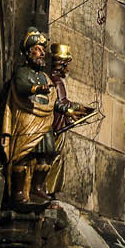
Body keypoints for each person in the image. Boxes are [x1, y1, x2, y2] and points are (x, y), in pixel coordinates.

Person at [0, 27, 57, 205]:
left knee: (47, 153)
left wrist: (71, 109)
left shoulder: (45, 77)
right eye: (38, 50)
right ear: (28, 52)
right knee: (23, 155)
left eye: (43, 50)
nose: (42, 54)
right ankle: (18, 192)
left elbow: (53, 98)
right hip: (27, 119)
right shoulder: (23, 73)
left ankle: (37, 188)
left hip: (44, 119)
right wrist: (37, 89)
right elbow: (21, 87)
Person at [43, 43, 94, 195]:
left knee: (54, 158)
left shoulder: (54, 79)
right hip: (55, 126)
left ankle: (47, 191)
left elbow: (63, 102)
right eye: (67, 65)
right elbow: (58, 103)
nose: (68, 69)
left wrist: (79, 107)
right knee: (53, 158)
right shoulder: (55, 81)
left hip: (57, 125)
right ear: (61, 64)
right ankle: (46, 191)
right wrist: (74, 109)